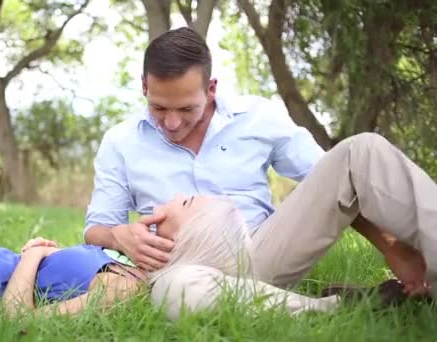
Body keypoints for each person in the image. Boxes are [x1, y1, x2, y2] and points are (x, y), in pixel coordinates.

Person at [83, 26, 435, 305]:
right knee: (174, 290)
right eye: (159, 108)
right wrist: (120, 236)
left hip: (261, 254)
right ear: (144, 86)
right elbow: (96, 227)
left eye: (186, 109)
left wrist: (392, 247)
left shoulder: (257, 118)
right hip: (179, 270)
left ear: (211, 89)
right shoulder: (120, 141)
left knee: (362, 152)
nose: (172, 123)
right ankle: (332, 304)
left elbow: (335, 183)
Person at [0, 167, 347, 319]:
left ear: (179, 244)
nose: (176, 197)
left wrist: (32, 259)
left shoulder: (126, 291)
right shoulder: (125, 262)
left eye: (186, 206)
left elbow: (17, 322)